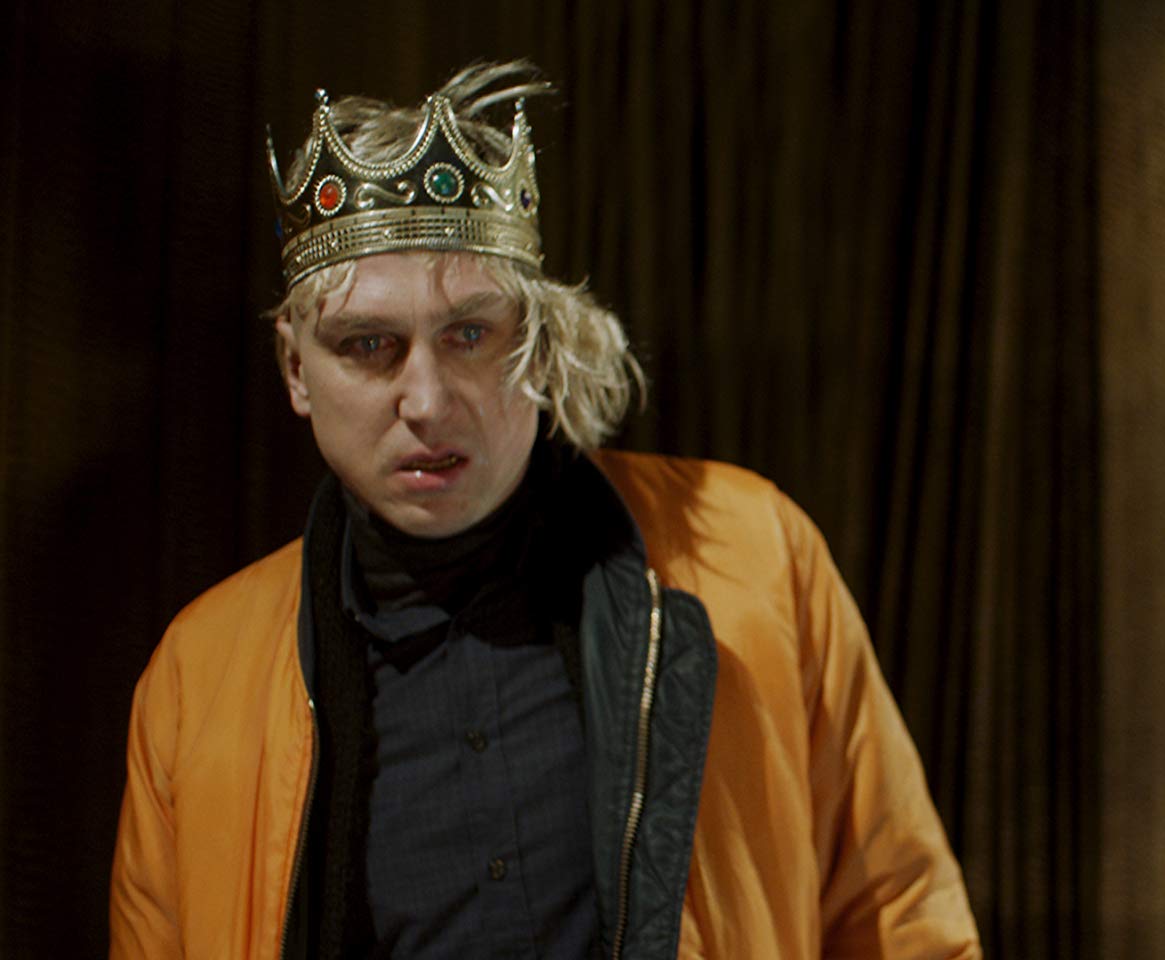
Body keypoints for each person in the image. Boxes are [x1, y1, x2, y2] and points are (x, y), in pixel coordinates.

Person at [109, 61, 979, 959]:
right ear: (296, 368)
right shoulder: (196, 680)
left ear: (537, 336)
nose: (427, 400)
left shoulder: (753, 553)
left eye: (469, 334)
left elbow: (899, 914)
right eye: (368, 345)